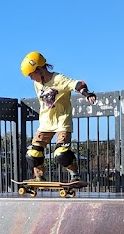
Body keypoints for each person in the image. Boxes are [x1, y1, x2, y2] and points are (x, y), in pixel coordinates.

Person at [20, 51, 97, 181]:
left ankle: (75, 175)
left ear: (39, 69)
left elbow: (77, 84)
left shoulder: (58, 79)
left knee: (61, 153)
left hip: (62, 122)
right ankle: (39, 177)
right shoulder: (37, 83)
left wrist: (87, 94)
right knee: (33, 153)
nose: (31, 79)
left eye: (31, 75)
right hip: (45, 123)